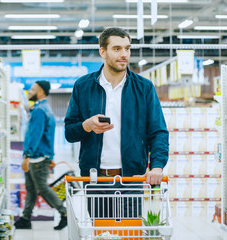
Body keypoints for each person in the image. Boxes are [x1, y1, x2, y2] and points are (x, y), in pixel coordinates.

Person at [64, 27, 169, 218]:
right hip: (95, 179)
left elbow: (158, 132)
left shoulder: (144, 88)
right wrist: (86, 125)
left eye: (127, 49)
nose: (124, 55)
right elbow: (69, 133)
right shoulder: (83, 86)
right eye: (117, 49)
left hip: (132, 179)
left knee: (129, 234)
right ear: (102, 51)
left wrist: (157, 166)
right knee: (103, 234)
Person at [14, 80, 68, 230]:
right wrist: (51, 156)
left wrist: (27, 156)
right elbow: (47, 135)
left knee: (42, 188)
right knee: (31, 189)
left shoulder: (39, 110)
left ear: (41, 91)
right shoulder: (45, 108)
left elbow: (35, 134)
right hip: (42, 155)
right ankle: (25, 218)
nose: (29, 92)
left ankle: (64, 213)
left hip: (37, 157)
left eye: (32, 89)